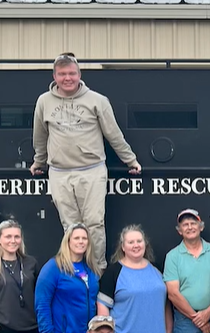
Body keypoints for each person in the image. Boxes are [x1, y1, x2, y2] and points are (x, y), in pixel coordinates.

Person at [29, 52, 141, 272]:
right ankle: (75, 270)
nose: (67, 78)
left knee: (94, 224)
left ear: (79, 74)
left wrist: (130, 160)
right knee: (70, 227)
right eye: (62, 74)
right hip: (59, 173)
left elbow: (113, 134)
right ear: (55, 76)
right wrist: (38, 162)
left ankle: (97, 271)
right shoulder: (44, 101)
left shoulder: (97, 100)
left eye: (71, 73)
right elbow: (40, 136)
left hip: (92, 171)